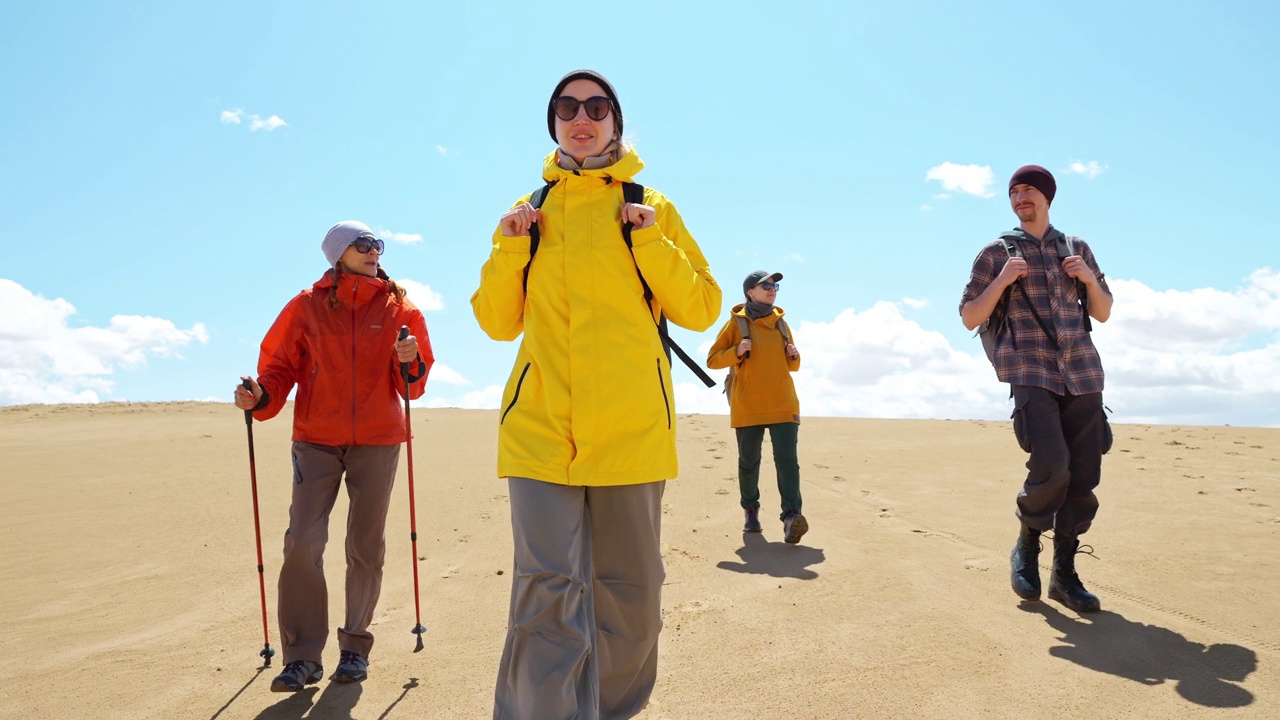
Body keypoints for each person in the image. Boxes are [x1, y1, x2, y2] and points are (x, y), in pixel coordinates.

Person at [471, 69, 721, 719]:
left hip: (632, 431)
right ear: (553, 123)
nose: (581, 117)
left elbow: (699, 307)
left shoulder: (653, 205)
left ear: (616, 121)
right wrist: (509, 248)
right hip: (540, 431)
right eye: (566, 107)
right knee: (544, 597)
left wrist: (649, 239)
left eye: (597, 106)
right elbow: (497, 322)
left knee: (630, 601)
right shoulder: (528, 210)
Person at [233, 220, 433, 692]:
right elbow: (278, 368)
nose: (373, 251)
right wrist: (260, 396)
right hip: (316, 439)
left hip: (379, 441)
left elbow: (414, 385)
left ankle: (354, 649)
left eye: (377, 244)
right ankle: (301, 658)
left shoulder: (401, 307)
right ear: (338, 254)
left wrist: (410, 360)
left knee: (365, 546)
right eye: (362, 244)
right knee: (302, 541)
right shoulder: (305, 306)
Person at [960, 165, 1113, 614]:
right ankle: (1027, 543)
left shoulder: (1076, 248)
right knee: (1052, 464)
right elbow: (969, 315)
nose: (1020, 197)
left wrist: (1087, 277)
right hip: (1030, 371)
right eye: (1014, 192)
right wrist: (1004, 280)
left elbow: (1102, 312)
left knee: (1085, 474)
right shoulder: (996, 252)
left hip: (1083, 372)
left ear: (1047, 197)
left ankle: (1064, 573)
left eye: (1028, 190)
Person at [706, 271, 806, 543]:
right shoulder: (735, 325)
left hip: (783, 403)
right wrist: (736, 352)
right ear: (750, 291)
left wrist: (794, 355)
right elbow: (712, 360)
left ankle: (791, 516)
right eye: (767, 285)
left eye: (775, 286)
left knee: (788, 462)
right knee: (749, 462)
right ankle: (751, 511)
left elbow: (792, 366)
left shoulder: (782, 325)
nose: (773, 289)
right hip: (748, 404)